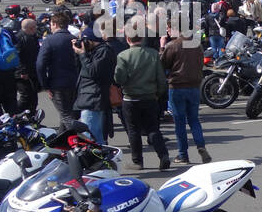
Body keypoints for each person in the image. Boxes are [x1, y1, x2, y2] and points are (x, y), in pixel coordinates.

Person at [113, 26, 172, 171]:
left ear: (128, 39)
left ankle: (137, 161)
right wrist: (158, 93)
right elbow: (161, 78)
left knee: (134, 131)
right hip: (150, 97)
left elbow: (119, 78)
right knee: (153, 129)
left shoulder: (123, 56)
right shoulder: (152, 54)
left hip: (131, 98)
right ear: (142, 38)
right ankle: (163, 155)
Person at [161, 28, 211, 165]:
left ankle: (183, 154)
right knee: (194, 120)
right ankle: (201, 146)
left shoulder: (172, 45)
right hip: (194, 86)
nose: (168, 32)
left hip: (177, 86)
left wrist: (162, 47)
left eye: (170, 29)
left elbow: (163, 64)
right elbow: (200, 63)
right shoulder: (196, 45)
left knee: (180, 122)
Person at [36, 11, 81, 125]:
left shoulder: (49, 41)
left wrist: (45, 85)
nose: (50, 27)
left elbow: (40, 64)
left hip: (56, 83)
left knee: (66, 116)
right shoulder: (74, 39)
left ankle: (78, 137)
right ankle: (62, 140)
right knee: (68, 114)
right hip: (74, 82)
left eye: (51, 24)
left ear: (55, 24)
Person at [72, 28, 115, 145]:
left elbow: (93, 72)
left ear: (90, 40)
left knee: (92, 137)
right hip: (89, 98)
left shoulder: (103, 51)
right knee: (91, 135)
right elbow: (80, 69)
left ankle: (101, 161)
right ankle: (100, 159)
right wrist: (79, 54)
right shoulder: (92, 52)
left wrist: (82, 55)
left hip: (93, 99)